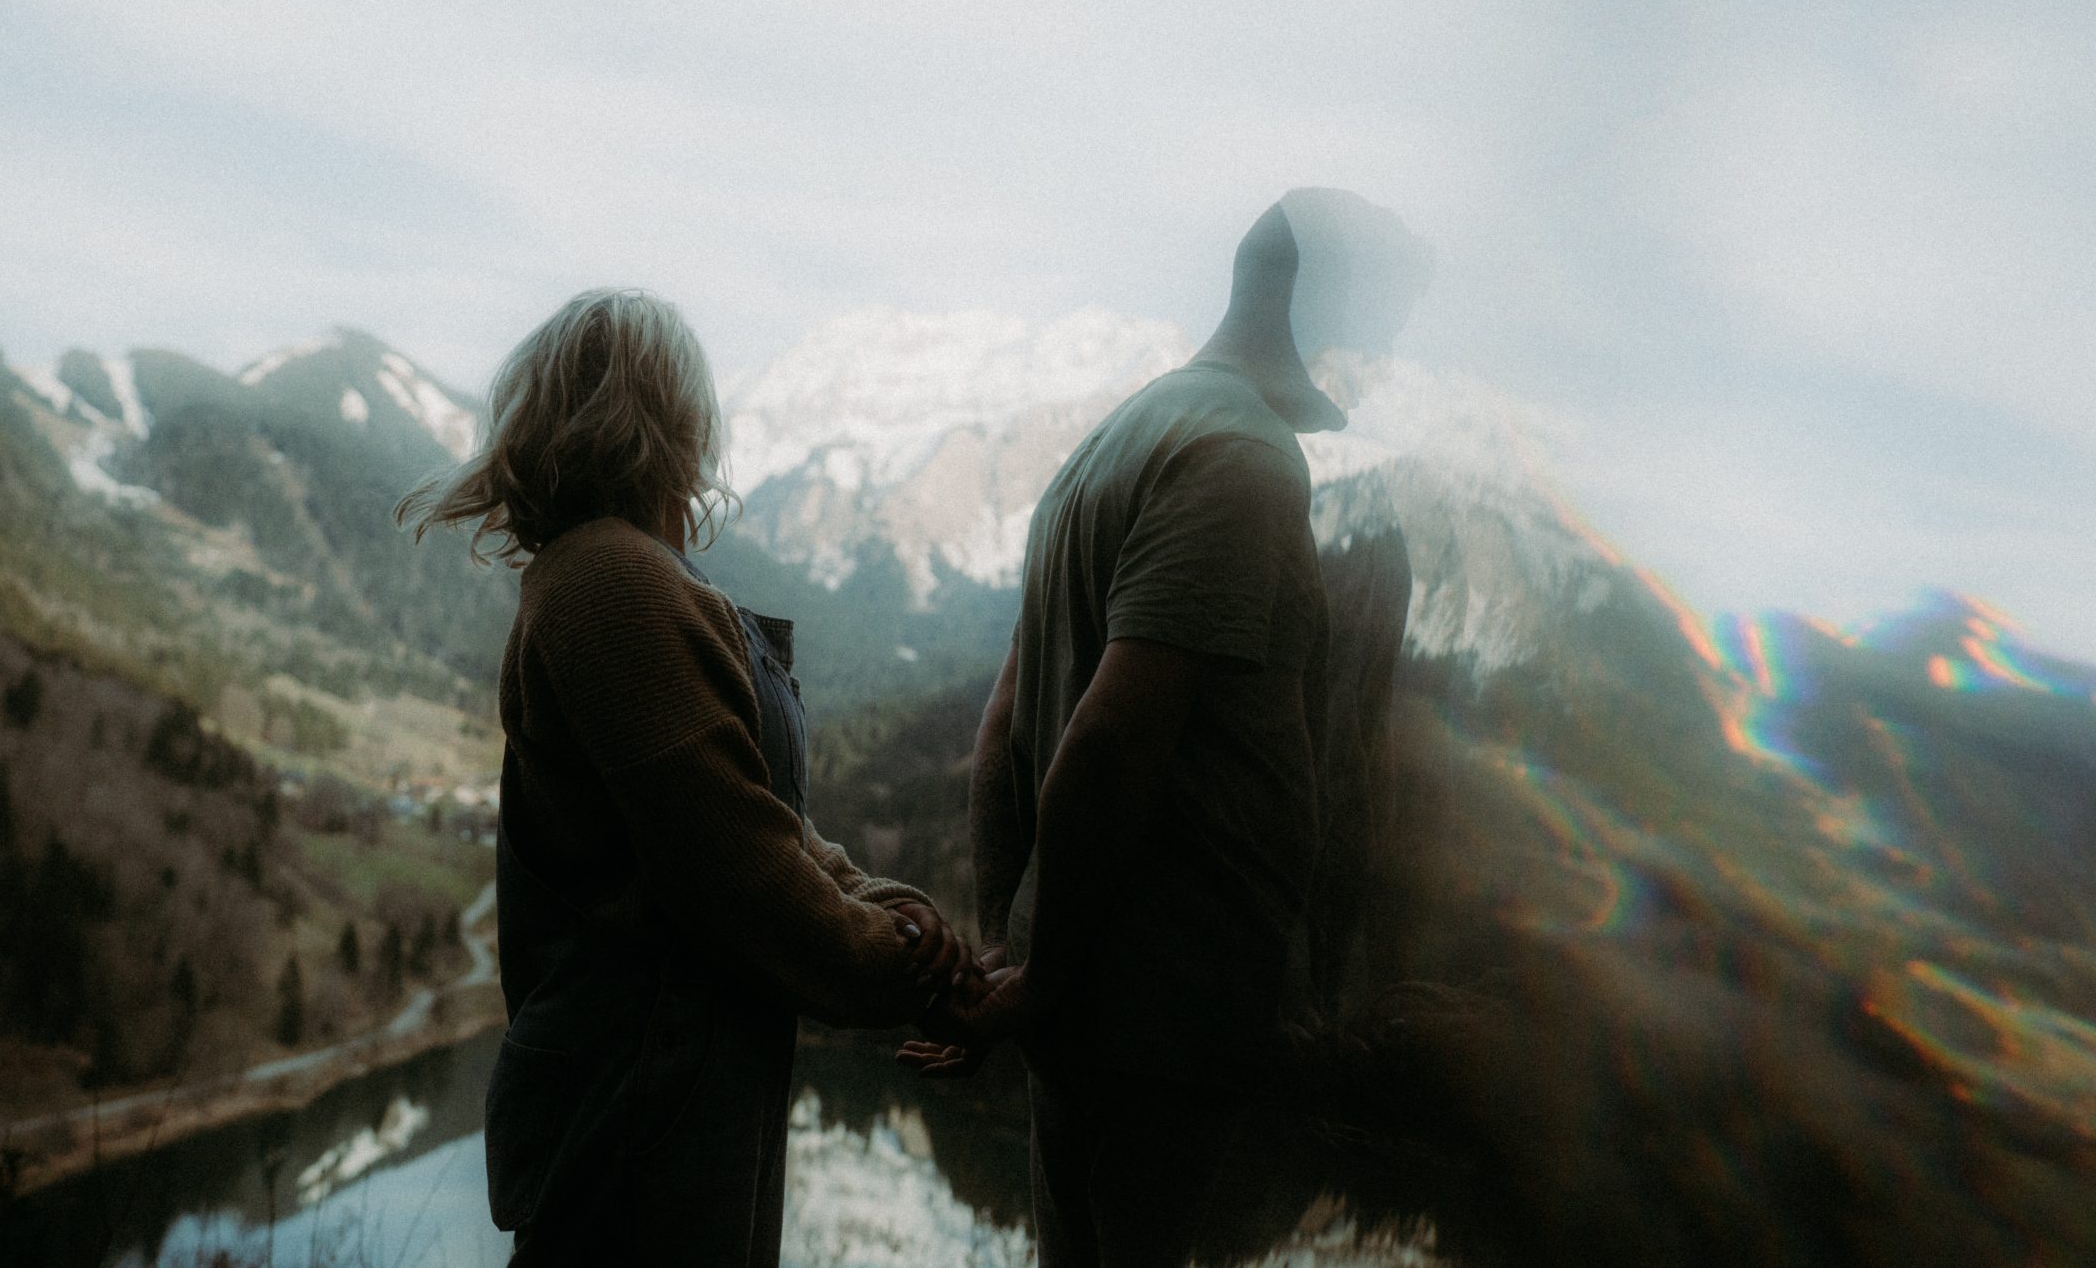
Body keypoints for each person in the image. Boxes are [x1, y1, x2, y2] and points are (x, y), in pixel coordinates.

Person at [905, 190, 1429, 1268]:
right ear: (1302, 303)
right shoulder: (1244, 461)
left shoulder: (1104, 449)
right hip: (1169, 1024)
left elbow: (1006, 730)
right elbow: (1107, 743)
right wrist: (1039, 978)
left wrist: (1011, 949)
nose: (1381, 368)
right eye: (1376, 333)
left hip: (1094, 1026)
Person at [402, 288, 976, 1267]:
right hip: (637, 1115)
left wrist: (892, 911)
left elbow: (759, 820)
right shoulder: (613, 586)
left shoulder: (627, 577)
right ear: (670, 417)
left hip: (668, 1097)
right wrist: (912, 971)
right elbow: (740, 872)